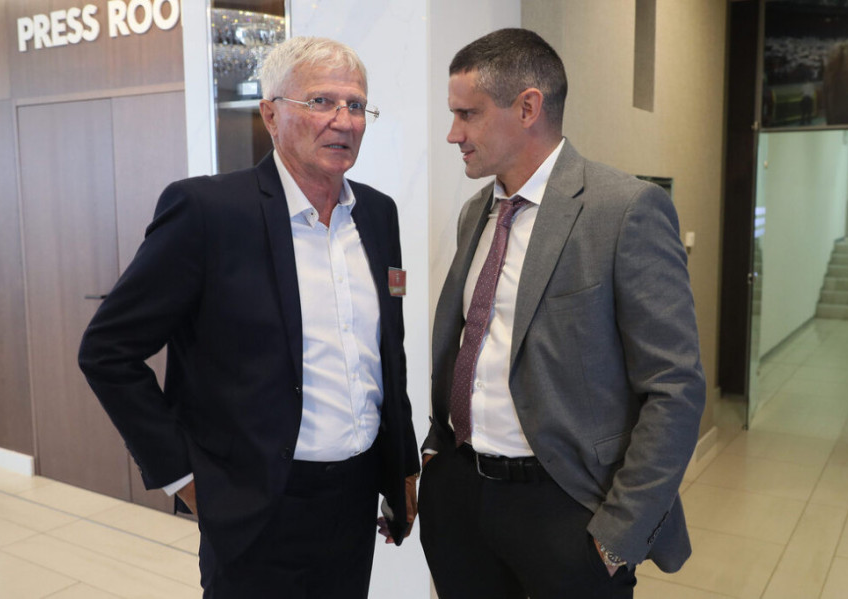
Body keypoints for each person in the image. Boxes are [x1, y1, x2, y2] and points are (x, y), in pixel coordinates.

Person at [79, 36, 419, 598]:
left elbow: (387, 354)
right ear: (271, 114)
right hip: (254, 505)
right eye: (321, 101)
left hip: (354, 500)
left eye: (356, 105)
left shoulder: (377, 214)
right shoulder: (208, 212)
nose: (343, 121)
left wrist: (401, 464)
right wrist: (184, 477)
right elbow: (107, 351)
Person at [419, 28, 705, 599]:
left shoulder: (624, 210)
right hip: (460, 498)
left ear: (528, 107)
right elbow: (470, 342)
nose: (454, 134)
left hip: (566, 508)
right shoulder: (478, 212)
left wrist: (617, 535)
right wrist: (435, 455)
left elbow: (674, 387)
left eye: (468, 114)